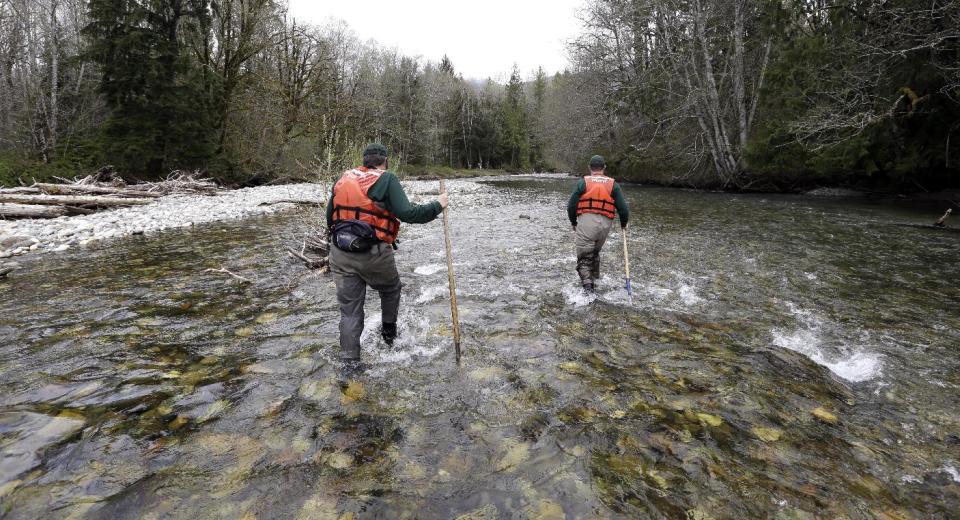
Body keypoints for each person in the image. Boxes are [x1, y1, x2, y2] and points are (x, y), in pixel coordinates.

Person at [326, 143, 448, 369]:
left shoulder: (343, 179)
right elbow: (410, 214)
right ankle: (389, 334)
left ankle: (349, 365)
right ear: (385, 161)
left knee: (350, 312)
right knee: (391, 289)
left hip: (340, 253)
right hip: (373, 253)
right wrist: (438, 205)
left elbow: (330, 219)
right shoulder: (387, 179)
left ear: (364, 161)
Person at [566, 155, 630, 292]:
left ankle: (589, 292)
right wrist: (624, 224)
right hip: (605, 226)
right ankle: (595, 280)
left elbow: (571, 205)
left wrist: (573, 221)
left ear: (590, 168)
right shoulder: (613, 184)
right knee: (594, 254)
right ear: (604, 168)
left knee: (584, 259)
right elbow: (624, 210)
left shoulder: (583, 182)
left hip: (587, 223)